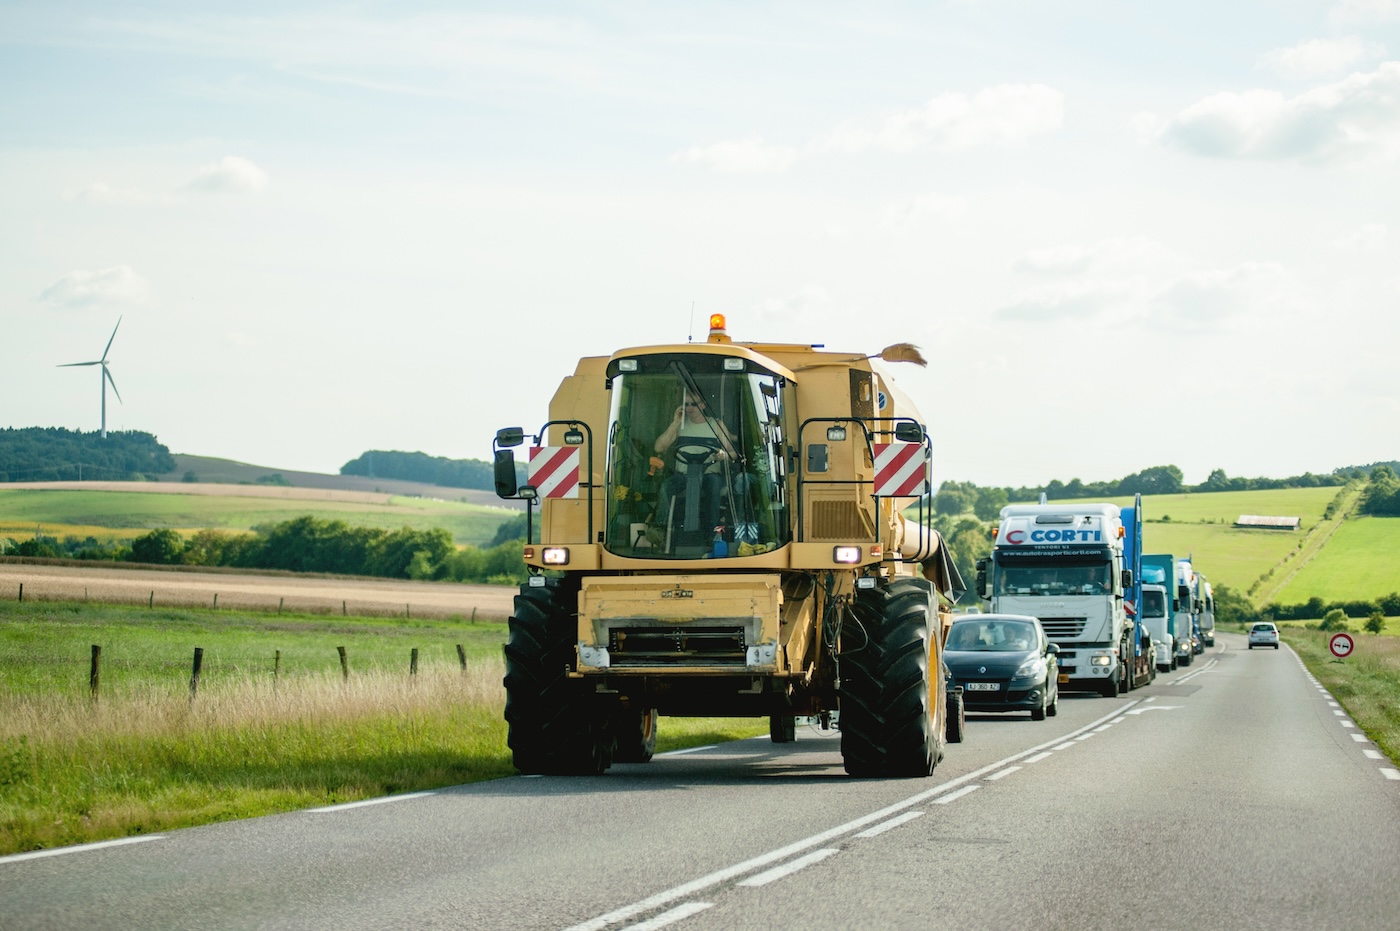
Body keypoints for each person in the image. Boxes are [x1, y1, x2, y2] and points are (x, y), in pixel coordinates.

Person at [654, 391, 739, 536]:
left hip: (709, 475)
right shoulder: (679, 426)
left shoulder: (716, 424)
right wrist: (675, 423)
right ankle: (660, 531)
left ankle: (712, 533)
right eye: (686, 404)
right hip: (683, 476)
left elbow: (733, 454)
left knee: (714, 487)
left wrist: (722, 455)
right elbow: (659, 448)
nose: (689, 408)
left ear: (703, 405)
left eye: (694, 404)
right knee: (666, 487)